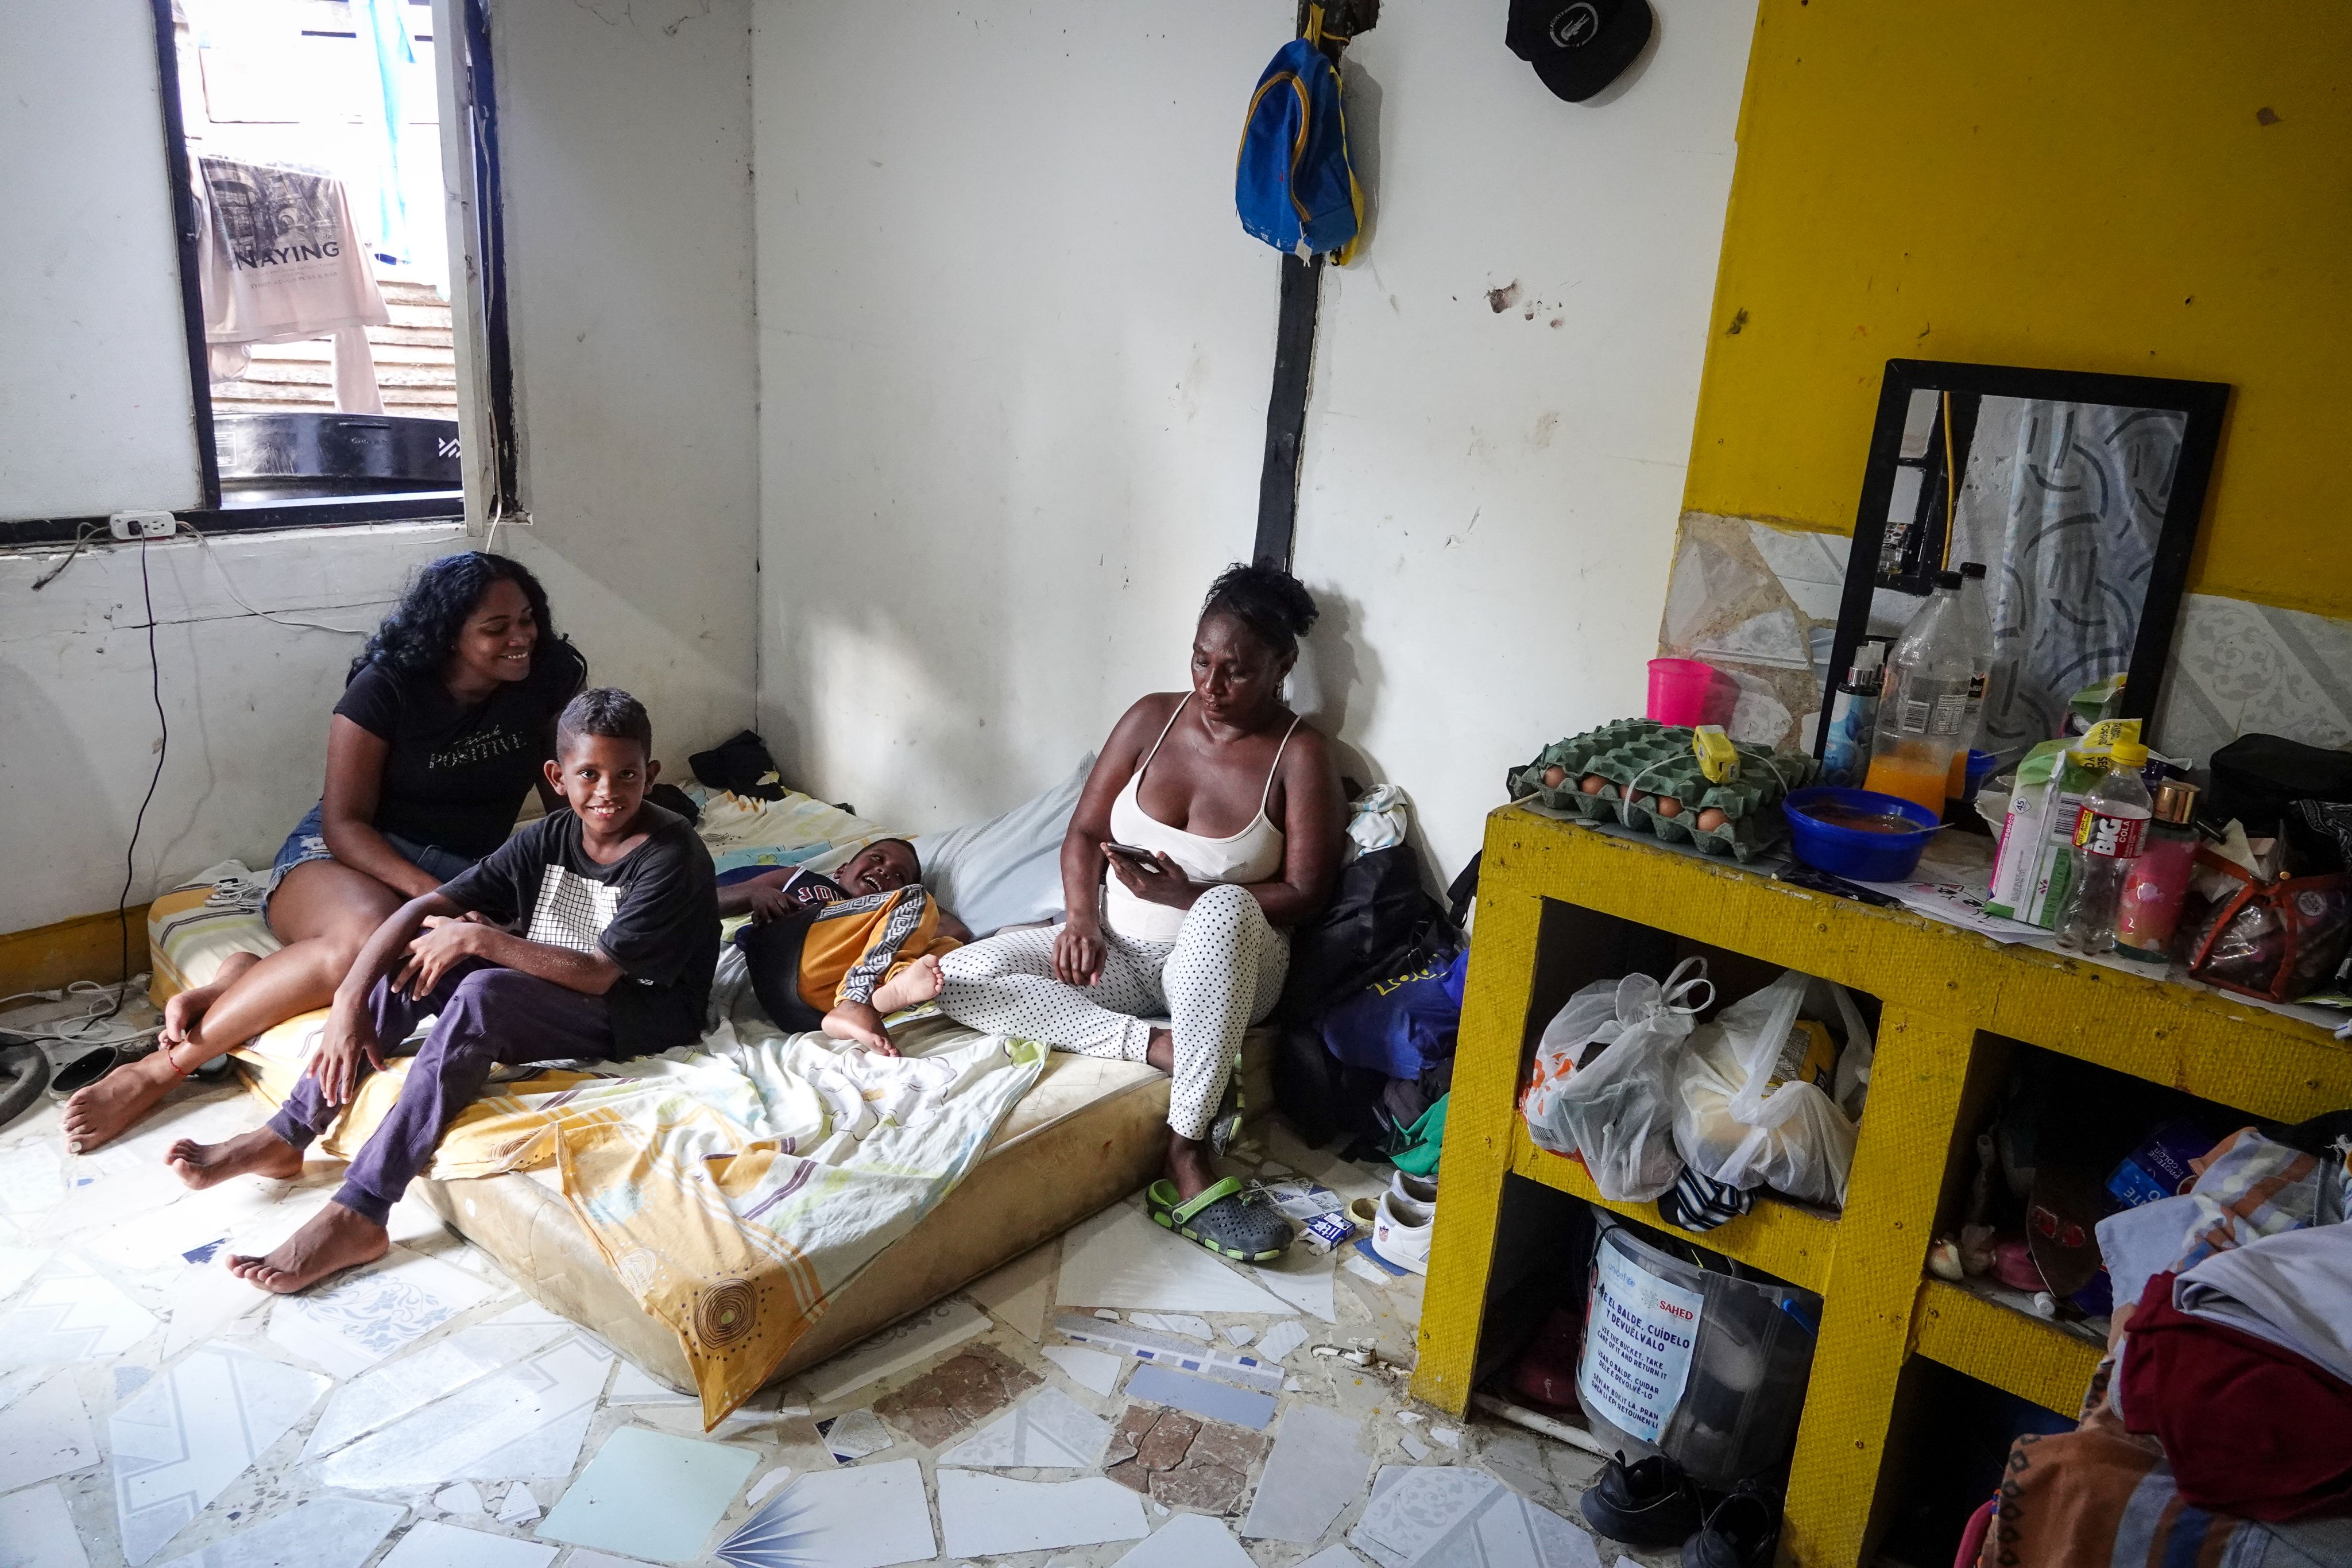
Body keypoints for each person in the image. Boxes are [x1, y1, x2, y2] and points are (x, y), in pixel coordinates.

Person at [165, 688, 717, 1294]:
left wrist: (479, 942)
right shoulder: (551, 835)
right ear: (558, 778)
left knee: (484, 992)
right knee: (416, 958)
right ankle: (287, 1133)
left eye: (627, 774)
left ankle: (364, 1208)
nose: (608, 791)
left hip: (640, 1010)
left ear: (652, 774)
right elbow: (429, 905)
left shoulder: (670, 853)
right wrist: (349, 1000)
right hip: (558, 984)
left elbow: (596, 974)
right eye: (589, 773)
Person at [61, 552, 585, 1155]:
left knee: (512, 948)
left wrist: (590, 870)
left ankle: (245, 977)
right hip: (350, 851)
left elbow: (565, 794)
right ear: (448, 636)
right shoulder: (385, 688)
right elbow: (344, 823)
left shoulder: (549, 675)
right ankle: (161, 1069)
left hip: (464, 864)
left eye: (527, 620)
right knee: (365, 940)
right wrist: (433, 898)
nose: (520, 638)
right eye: (496, 628)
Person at [934, 563, 1343, 1261]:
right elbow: (1084, 834)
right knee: (961, 976)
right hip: (1121, 954)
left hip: (1229, 966)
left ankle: (1186, 1156)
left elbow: (1308, 894)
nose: (1210, 687)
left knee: (1222, 911)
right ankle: (1158, 1046)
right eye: (1201, 661)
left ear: (1283, 664)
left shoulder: (1298, 756)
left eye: (1236, 671)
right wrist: (1082, 921)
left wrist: (1186, 896)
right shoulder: (1152, 718)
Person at [723, 840, 968, 1054]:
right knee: (916, 896)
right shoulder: (801, 877)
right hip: (788, 952)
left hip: (809, 1011)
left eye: (899, 876)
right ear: (842, 869)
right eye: (877, 858)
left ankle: (872, 999)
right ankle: (863, 999)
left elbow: (958, 932)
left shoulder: (881, 929)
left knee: (948, 945)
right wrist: (756, 892)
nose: (884, 870)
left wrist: (910, 907)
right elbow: (710, 898)